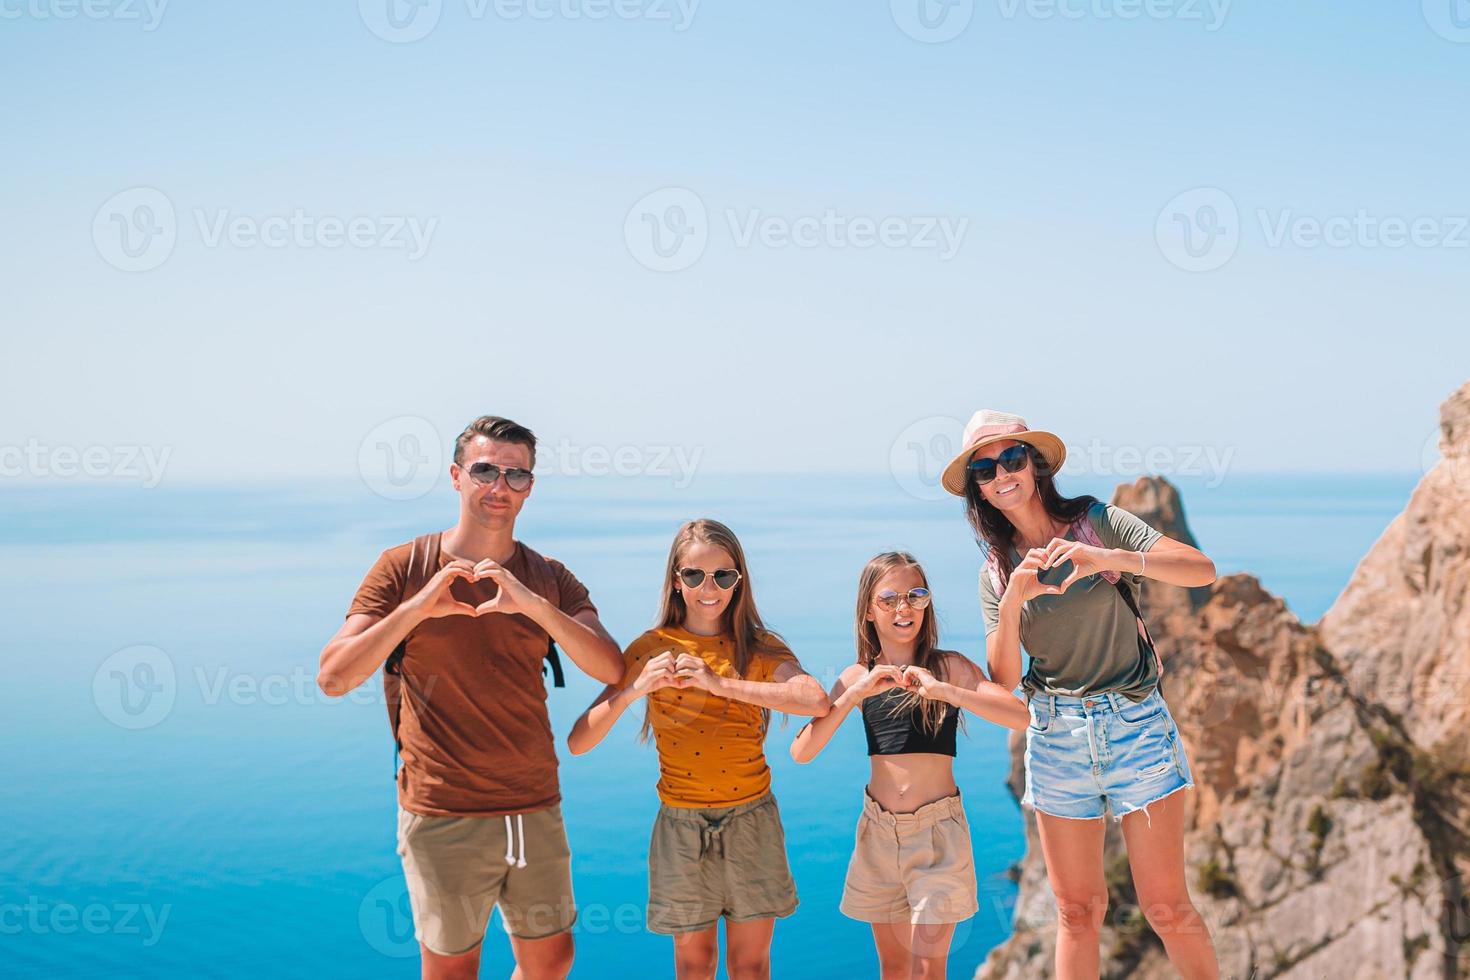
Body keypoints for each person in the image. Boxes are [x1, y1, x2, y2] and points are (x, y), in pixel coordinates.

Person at [318, 415, 624, 980]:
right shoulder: (403, 568)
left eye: (516, 475)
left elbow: (611, 666)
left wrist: (533, 606)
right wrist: (417, 609)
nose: (499, 487)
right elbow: (334, 676)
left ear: (531, 487)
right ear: (457, 477)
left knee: (553, 963)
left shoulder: (548, 576)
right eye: (485, 470)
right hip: (442, 810)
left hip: (534, 801)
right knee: (453, 971)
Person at [938, 409, 1220, 980]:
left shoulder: (1095, 521)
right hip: (1056, 735)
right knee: (1076, 912)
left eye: (1012, 459)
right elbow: (1003, 677)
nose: (1001, 475)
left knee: (1166, 906)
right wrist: (1015, 595)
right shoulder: (995, 571)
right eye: (985, 471)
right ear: (979, 492)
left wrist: (1104, 558)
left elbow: (1201, 570)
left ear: (1036, 466)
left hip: (1135, 726)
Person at [567, 518, 829, 980]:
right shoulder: (651, 649)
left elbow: (814, 699)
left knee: (749, 967)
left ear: (738, 580)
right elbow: (578, 743)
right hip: (680, 824)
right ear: (676, 580)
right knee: (694, 965)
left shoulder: (759, 647)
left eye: (722, 576)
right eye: (695, 575)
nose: (709, 588)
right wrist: (632, 691)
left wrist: (720, 683)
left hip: (752, 819)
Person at [790, 551, 1028, 979]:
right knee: (894, 969)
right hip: (878, 834)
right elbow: (802, 752)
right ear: (868, 610)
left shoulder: (948, 667)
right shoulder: (855, 676)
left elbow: (1018, 714)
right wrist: (854, 695)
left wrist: (945, 692)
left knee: (925, 971)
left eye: (915, 595)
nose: (904, 608)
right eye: (889, 598)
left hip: (938, 834)